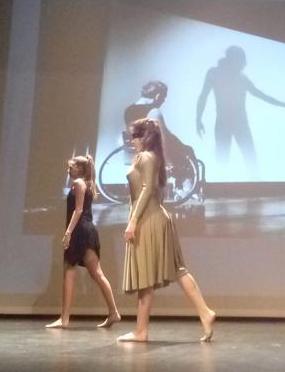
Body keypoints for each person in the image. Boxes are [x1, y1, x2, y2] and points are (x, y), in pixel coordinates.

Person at [117, 118, 216, 342]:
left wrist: (133, 221)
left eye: (135, 136)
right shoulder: (151, 157)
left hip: (149, 220)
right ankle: (204, 312)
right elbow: (152, 191)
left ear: (144, 137)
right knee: (175, 270)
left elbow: (147, 189)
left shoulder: (146, 157)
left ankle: (141, 331)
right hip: (152, 217)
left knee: (148, 276)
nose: (132, 140)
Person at [46, 155, 121, 329]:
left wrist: (68, 233)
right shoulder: (85, 183)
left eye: (71, 167)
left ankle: (65, 319)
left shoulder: (79, 183)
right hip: (86, 230)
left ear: (80, 169)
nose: (68, 170)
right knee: (86, 273)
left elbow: (78, 210)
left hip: (81, 231)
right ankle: (112, 312)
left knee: (78, 272)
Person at [195, 45, 285, 176]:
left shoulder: (240, 77)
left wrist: (284, 105)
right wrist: (198, 119)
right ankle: (224, 183)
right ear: (234, 60)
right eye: (242, 61)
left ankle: (254, 182)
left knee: (248, 159)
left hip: (237, 123)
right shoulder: (216, 73)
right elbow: (203, 96)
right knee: (225, 159)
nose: (244, 65)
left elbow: (261, 95)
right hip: (227, 123)